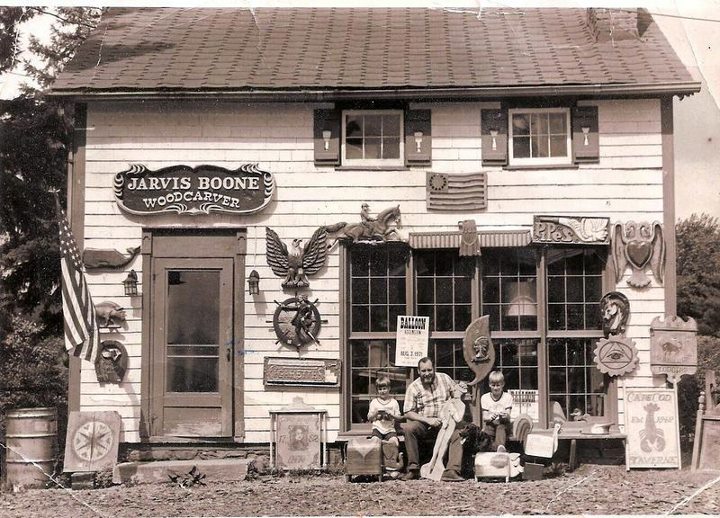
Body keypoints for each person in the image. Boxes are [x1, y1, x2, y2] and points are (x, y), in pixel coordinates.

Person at [401, 357, 467, 481]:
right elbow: (408, 412)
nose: (427, 374)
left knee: (458, 433)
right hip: (425, 424)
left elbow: (456, 393)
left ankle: (452, 470)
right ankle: (413, 469)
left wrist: (458, 392)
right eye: (424, 371)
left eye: (429, 370)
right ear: (418, 371)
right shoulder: (413, 387)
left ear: (434, 369)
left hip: (445, 423)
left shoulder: (445, 378)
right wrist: (427, 420)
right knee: (409, 428)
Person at [367, 376, 402, 473]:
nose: (382, 391)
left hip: (390, 429)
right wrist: (375, 413)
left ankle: (392, 466)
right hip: (377, 429)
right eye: (380, 389)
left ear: (389, 388)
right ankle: (375, 466)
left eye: (384, 388)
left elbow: (399, 417)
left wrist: (391, 415)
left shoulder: (394, 402)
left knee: (394, 441)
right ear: (377, 390)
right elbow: (369, 417)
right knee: (375, 442)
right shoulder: (374, 402)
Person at [480, 371, 514, 450]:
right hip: (490, 424)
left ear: (503, 384)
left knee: (500, 428)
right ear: (489, 385)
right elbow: (485, 417)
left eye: (498, 385)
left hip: (504, 424)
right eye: (493, 385)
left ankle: (499, 449)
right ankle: (487, 450)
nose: (495, 388)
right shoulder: (484, 397)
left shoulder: (507, 397)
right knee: (486, 434)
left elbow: (508, 416)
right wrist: (490, 417)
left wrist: (505, 415)